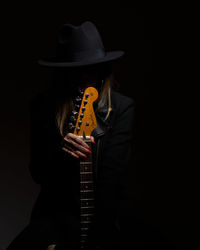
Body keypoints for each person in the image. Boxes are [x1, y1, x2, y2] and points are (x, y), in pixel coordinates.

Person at [6, 21, 135, 250]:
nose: (84, 77)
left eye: (91, 68)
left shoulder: (121, 107)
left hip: (106, 214)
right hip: (56, 213)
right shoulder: (43, 106)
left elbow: (112, 181)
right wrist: (60, 152)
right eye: (76, 71)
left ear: (103, 69)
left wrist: (96, 237)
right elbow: (38, 172)